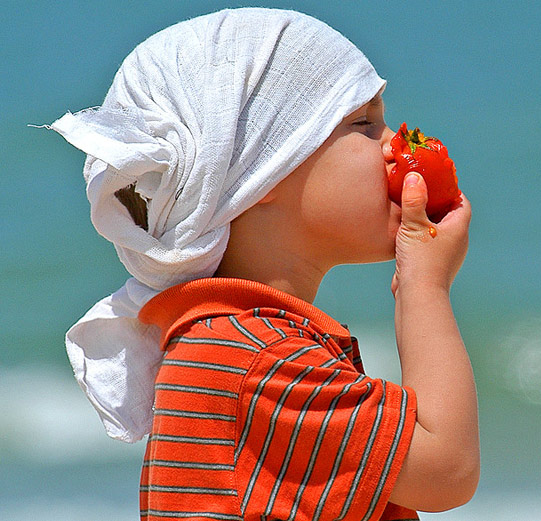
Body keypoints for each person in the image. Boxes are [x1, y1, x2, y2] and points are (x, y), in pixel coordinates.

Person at [49, 8, 478, 521]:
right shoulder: (257, 359)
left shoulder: (233, 341)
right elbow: (447, 471)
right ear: (265, 168)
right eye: (363, 125)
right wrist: (424, 285)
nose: (394, 146)